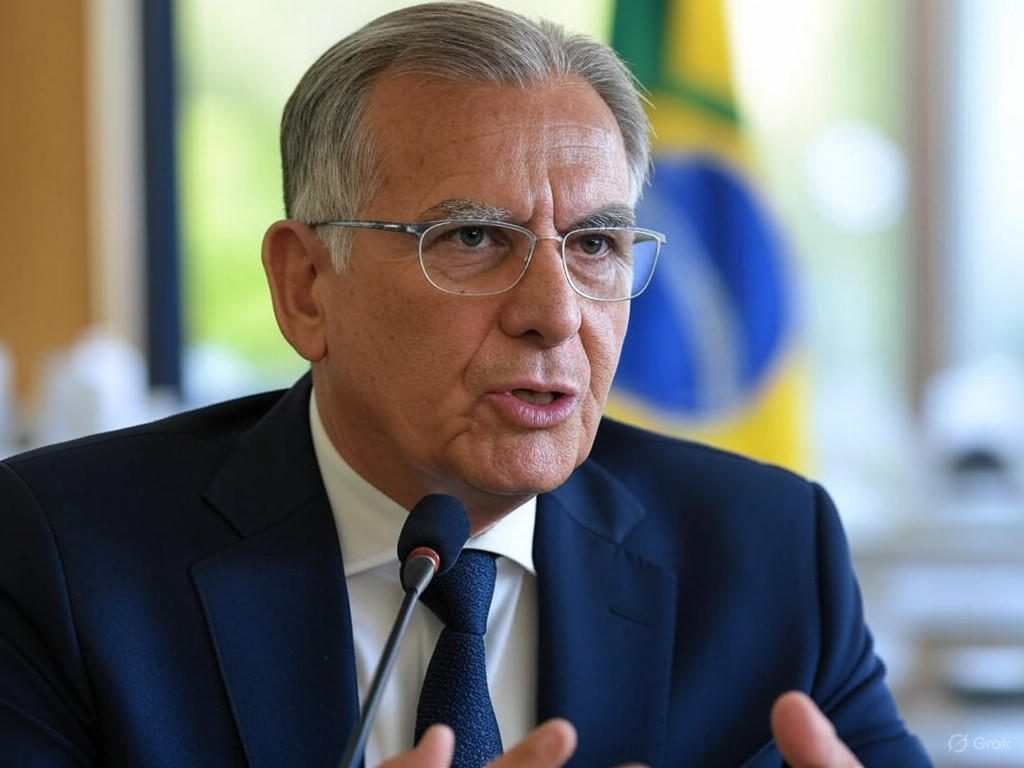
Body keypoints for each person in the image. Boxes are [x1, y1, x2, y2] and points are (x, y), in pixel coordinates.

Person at [0, 2, 931, 766]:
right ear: (306, 287)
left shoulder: (767, 554)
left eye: (595, 244)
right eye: (473, 238)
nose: (555, 314)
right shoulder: (62, 561)